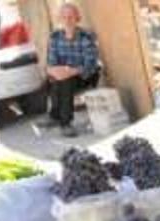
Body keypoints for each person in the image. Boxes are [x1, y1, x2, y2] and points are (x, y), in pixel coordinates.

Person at [41, 2, 99, 139]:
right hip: (62, 75)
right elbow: (51, 62)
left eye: (71, 17)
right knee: (54, 80)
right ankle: (57, 117)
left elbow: (90, 65)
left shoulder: (86, 36)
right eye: (64, 17)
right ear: (60, 19)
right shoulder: (55, 37)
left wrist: (70, 71)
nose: (67, 20)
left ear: (78, 18)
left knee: (64, 82)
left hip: (85, 76)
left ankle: (64, 122)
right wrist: (57, 72)